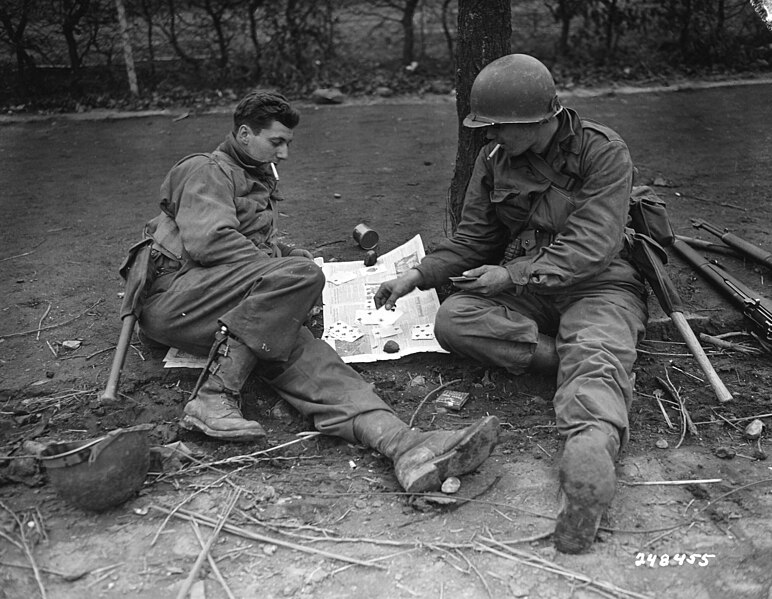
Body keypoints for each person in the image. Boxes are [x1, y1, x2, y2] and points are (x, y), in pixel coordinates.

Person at [132, 91, 499, 495]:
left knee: (316, 364)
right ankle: (213, 396)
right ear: (243, 133)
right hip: (179, 299)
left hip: (233, 308)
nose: (284, 153)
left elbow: (246, 241)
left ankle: (403, 445)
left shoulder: (253, 174)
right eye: (276, 142)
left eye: (287, 143)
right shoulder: (206, 169)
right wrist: (287, 271)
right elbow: (210, 243)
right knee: (299, 278)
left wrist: (286, 255)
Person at [374, 54, 648, 553]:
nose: (488, 135)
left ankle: (591, 447)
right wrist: (416, 275)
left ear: (537, 120)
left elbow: (593, 244)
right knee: (455, 319)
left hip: (599, 284)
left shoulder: (602, 152)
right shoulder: (494, 159)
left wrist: (512, 273)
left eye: (498, 125)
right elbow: (473, 241)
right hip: (527, 292)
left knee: (596, 336)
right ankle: (588, 363)